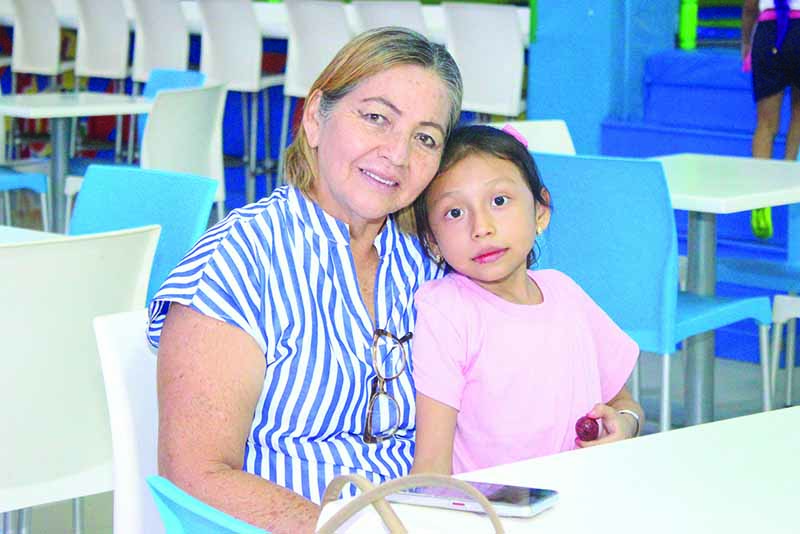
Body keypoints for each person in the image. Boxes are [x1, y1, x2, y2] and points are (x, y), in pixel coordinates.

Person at [148, 28, 462, 533]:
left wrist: (599, 418)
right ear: (315, 117)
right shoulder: (239, 261)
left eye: (425, 138)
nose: (398, 153)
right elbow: (195, 475)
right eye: (376, 117)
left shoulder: (430, 264)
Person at [409, 125, 644, 476]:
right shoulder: (447, 312)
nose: (481, 227)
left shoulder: (566, 294)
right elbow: (432, 466)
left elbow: (625, 404)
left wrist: (624, 424)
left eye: (499, 201)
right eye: (455, 213)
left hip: (587, 493)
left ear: (540, 211)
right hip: (491, 506)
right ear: (432, 240)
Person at [742, 0, 800, 237]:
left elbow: (749, 8)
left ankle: (760, 198)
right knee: (798, 114)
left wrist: (746, 42)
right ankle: (788, 173)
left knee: (765, 125)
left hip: (768, 33)